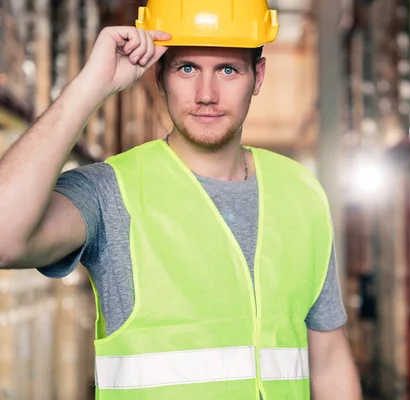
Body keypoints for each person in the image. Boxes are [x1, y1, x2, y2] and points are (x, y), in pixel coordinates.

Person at [0, 0, 363, 399]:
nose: (206, 94)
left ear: (258, 76)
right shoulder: (110, 191)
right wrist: (91, 85)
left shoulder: (300, 191)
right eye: (187, 68)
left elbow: (327, 359)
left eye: (228, 70)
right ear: (160, 76)